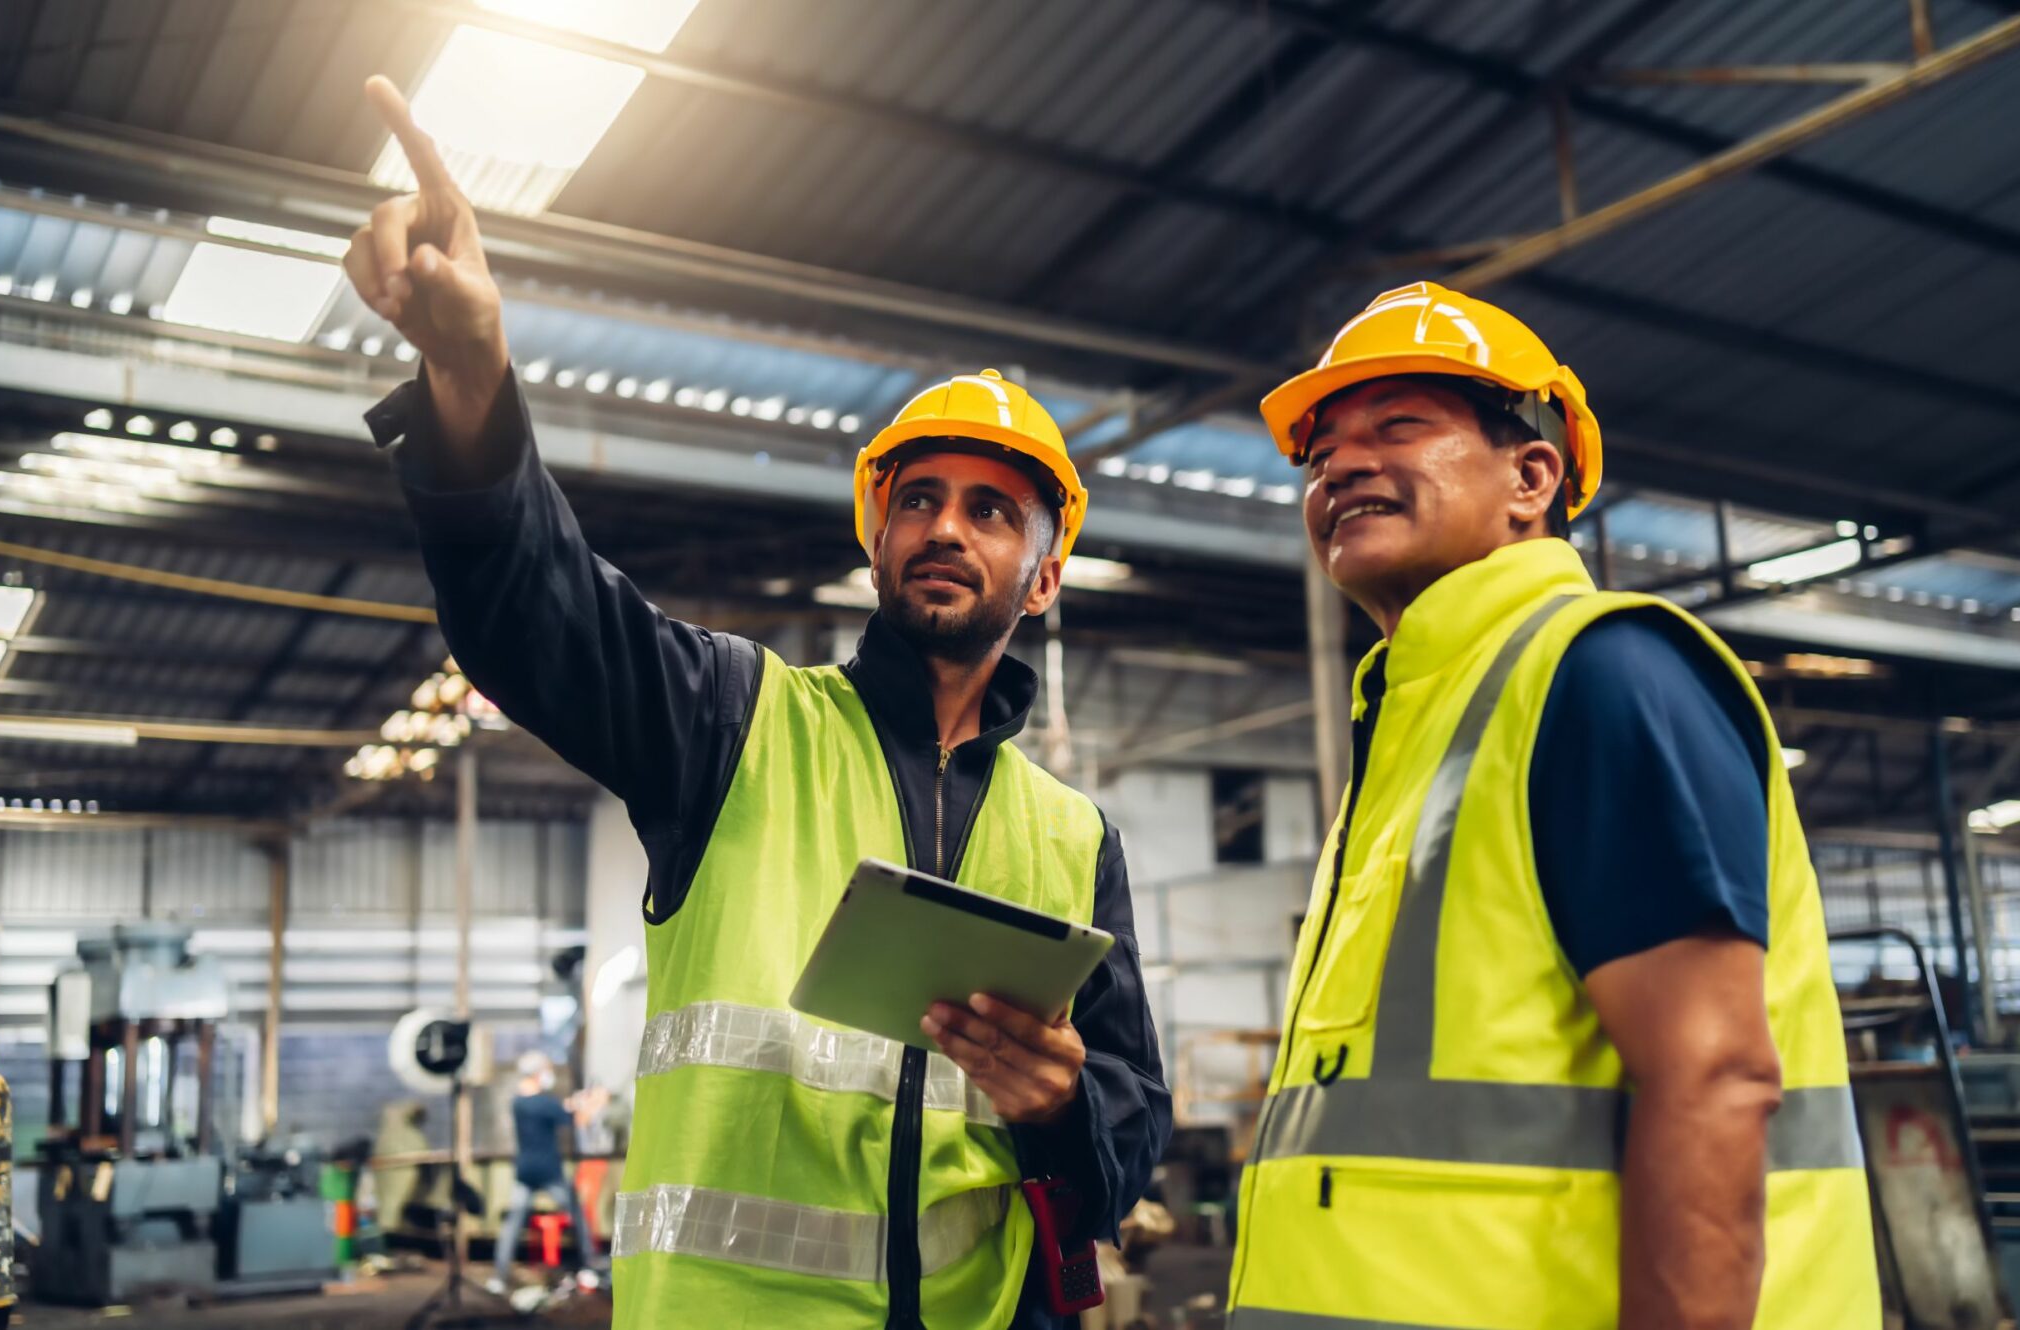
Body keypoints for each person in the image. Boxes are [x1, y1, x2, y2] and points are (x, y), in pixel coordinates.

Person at [343, 77, 1168, 1330]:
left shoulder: (1071, 836)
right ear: (877, 537)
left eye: (991, 508)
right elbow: (537, 613)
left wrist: (1061, 1106)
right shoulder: (734, 721)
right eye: (919, 498)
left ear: (1044, 575)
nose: (945, 525)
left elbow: (1131, 1117)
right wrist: (470, 372)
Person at [1224, 282, 1877, 1329]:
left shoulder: (1597, 673)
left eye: (1397, 426)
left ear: (1532, 477)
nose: (1340, 464)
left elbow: (1712, 1075)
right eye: (1320, 452)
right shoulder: (1411, 727)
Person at [489, 1051, 605, 1295]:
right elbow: (576, 1120)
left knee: (512, 1225)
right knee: (578, 1214)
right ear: (537, 1073)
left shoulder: (519, 1102)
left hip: (524, 1171)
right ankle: (591, 1264)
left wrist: (575, 1103)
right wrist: (592, 1104)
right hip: (549, 1171)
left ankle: (499, 1277)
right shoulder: (543, 1103)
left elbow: (560, 1108)